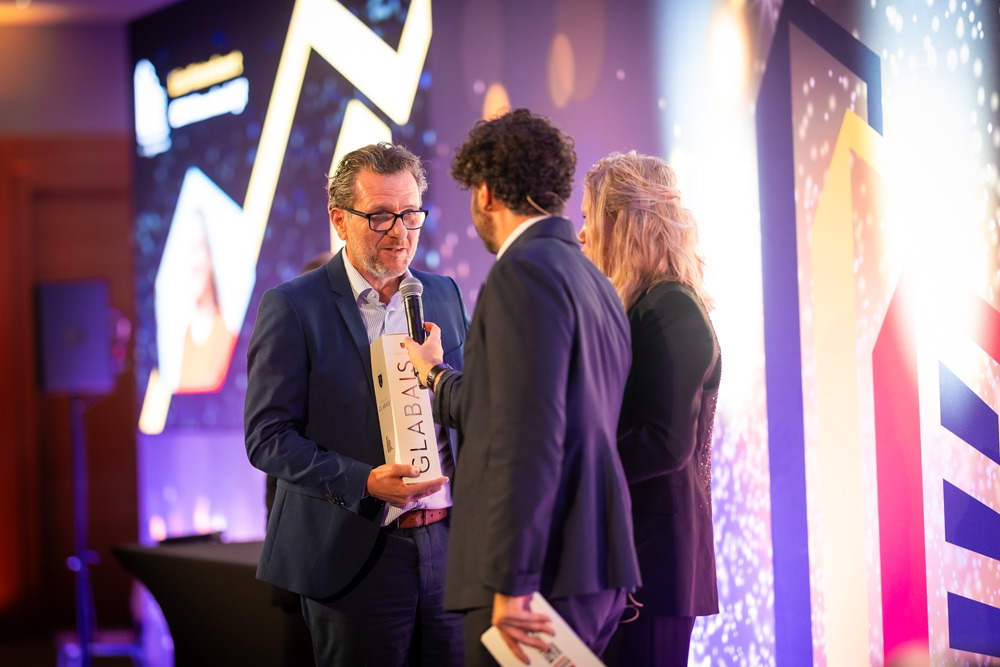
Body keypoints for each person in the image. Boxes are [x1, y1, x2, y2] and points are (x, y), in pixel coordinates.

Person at [403, 109, 641, 666]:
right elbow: (521, 411)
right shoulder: (594, 280)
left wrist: (512, 581)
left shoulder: (522, 273)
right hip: (591, 567)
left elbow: (525, 437)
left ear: (486, 192)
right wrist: (435, 374)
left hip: (534, 581)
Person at [245, 142, 470, 666]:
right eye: (381, 215)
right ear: (339, 220)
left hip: (449, 544)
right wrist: (364, 482)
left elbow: (468, 409)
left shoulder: (443, 293)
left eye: (411, 214)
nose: (400, 231)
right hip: (354, 551)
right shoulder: (293, 306)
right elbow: (267, 438)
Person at [578, 150, 721, 667]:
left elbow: (664, 442)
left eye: (589, 217)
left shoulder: (671, 306)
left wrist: (572, 467)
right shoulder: (647, 305)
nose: (582, 233)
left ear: (622, 223)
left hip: (652, 566)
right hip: (631, 559)